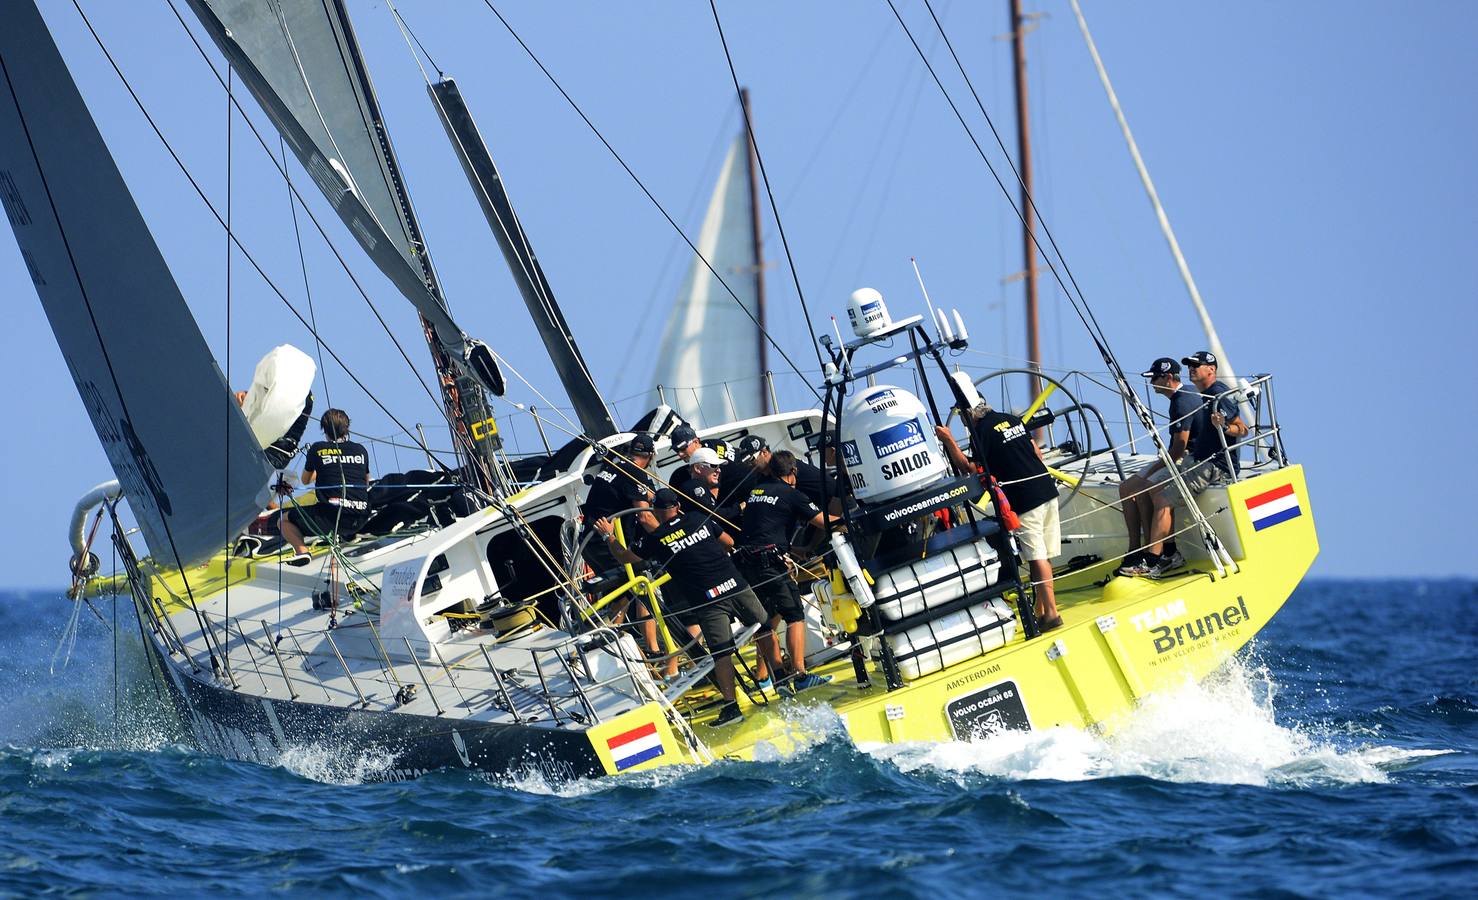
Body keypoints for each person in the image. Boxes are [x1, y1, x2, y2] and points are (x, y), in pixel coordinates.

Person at [595, 488, 775, 727]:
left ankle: (732, 706)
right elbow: (729, 543)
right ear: (678, 506)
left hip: (709, 601)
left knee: (721, 653)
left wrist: (609, 535)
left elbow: (624, 556)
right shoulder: (699, 518)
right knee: (765, 627)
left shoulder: (656, 539)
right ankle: (782, 678)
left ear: (656, 512)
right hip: (736, 585)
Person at [935, 399, 1062, 631]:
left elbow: (970, 468)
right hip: (1047, 489)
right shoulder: (1012, 419)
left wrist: (949, 441)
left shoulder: (981, 432)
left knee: (1036, 556)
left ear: (968, 414)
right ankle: (1041, 611)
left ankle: (1052, 614)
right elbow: (1037, 454)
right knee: (1045, 555)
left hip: (1025, 499)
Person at [736, 450, 837, 691]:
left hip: (746, 562)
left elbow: (764, 525)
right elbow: (824, 521)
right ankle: (801, 676)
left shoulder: (756, 491)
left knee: (765, 621)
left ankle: (779, 678)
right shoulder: (792, 494)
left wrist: (792, 548)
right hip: (770, 563)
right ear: (793, 473)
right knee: (794, 615)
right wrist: (849, 519)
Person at [279, 408, 371, 566]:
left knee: (283, 520)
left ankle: (302, 552)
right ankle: (344, 536)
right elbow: (366, 481)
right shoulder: (361, 450)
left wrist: (322, 469)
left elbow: (306, 480)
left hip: (331, 517)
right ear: (347, 427)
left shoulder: (318, 448)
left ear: (324, 430)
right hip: (361, 517)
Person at [579, 434, 657, 575]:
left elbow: (648, 493)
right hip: (607, 543)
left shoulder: (612, 467)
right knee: (636, 588)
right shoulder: (635, 472)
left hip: (588, 543)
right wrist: (668, 535)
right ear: (651, 456)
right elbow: (645, 516)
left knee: (620, 594)